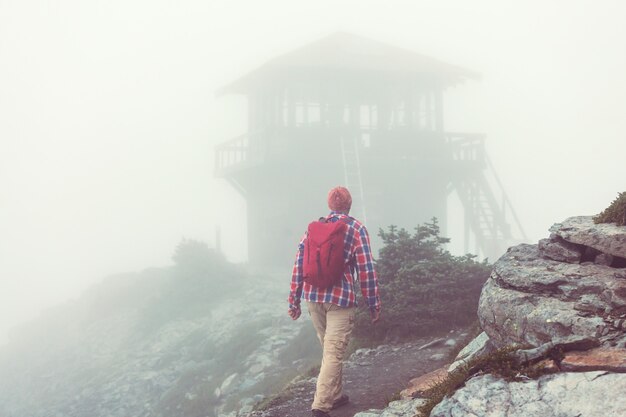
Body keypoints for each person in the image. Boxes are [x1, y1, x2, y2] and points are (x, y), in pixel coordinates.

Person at [288, 186, 381, 417]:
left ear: (330, 205)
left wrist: (294, 301)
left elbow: (299, 265)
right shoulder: (357, 228)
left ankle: (336, 396)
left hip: (313, 297)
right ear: (349, 205)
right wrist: (373, 304)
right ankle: (320, 407)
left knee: (329, 350)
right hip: (340, 300)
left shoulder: (313, 229)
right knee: (333, 353)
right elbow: (366, 270)